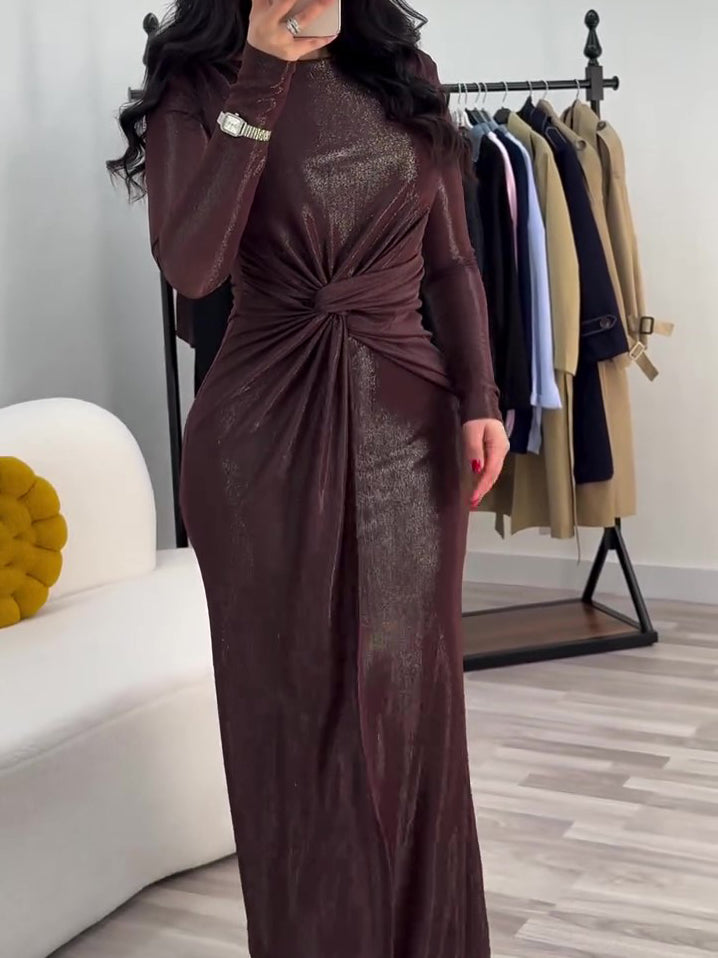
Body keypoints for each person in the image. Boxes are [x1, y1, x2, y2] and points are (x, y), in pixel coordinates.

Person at [109, 0, 509, 954]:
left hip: (411, 429)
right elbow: (193, 267)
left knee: (412, 714)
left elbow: (450, 262)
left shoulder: (402, 70)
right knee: (292, 728)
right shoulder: (195, 83)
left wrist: (481, 395)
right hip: (259, 442)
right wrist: (261, 73)